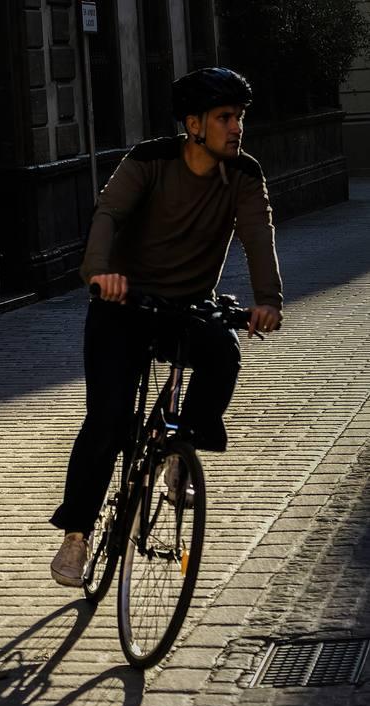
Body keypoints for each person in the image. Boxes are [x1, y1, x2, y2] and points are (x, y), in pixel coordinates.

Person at [50, 67, 283, 588]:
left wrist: (267, 301)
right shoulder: (149, 161)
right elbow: (108, 214)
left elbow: (257, 236)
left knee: (223, 354)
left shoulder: (244, 175)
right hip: (122, 304)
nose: (236, 128)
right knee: (108, 419)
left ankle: (181, 449)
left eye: (239, 118)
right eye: (226, 118)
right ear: (194, 125)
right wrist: (99, 273)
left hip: (188, 306)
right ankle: (77, 535)